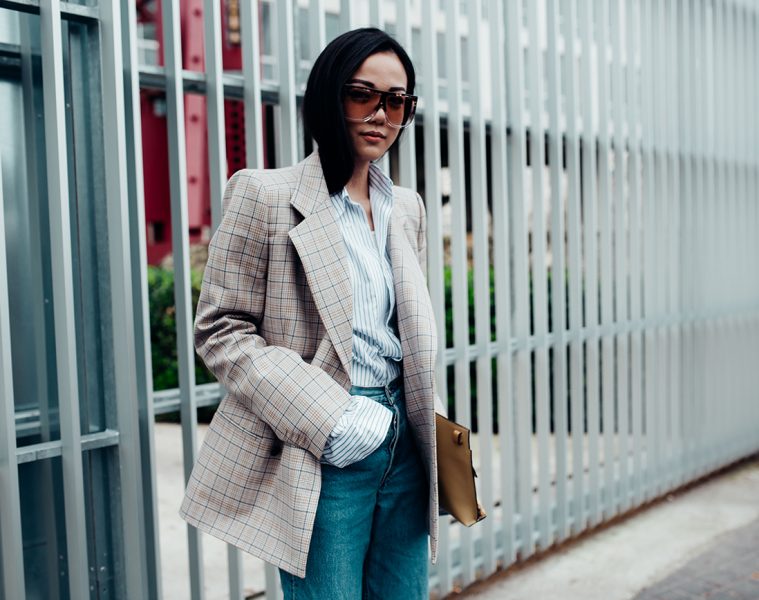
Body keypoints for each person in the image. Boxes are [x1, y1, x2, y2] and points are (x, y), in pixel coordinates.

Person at [180, 27, 440, 599]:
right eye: (361, 94)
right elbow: (221, 328)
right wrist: (332, 420)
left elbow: (402, 331)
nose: (380, 114)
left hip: (407, 440)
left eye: (396, 101)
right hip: (327, 440)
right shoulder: (264, 194)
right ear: (328, 95)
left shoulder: (406, 208)